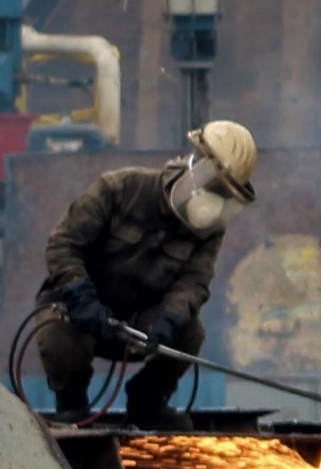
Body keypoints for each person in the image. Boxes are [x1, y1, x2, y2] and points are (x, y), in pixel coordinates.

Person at [35, 121, 258, 423]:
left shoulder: (209, 229)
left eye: (226, 195)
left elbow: (195, 282)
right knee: (57, 331)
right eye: (215, 187)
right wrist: (81, 296)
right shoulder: (121, 188)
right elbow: (63, 244)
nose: (216, 200)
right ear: (197, 168)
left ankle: (147, 401)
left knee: (190, 331)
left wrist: (170, 319)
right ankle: (71, 403)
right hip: (82, 310)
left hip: (135, 323)